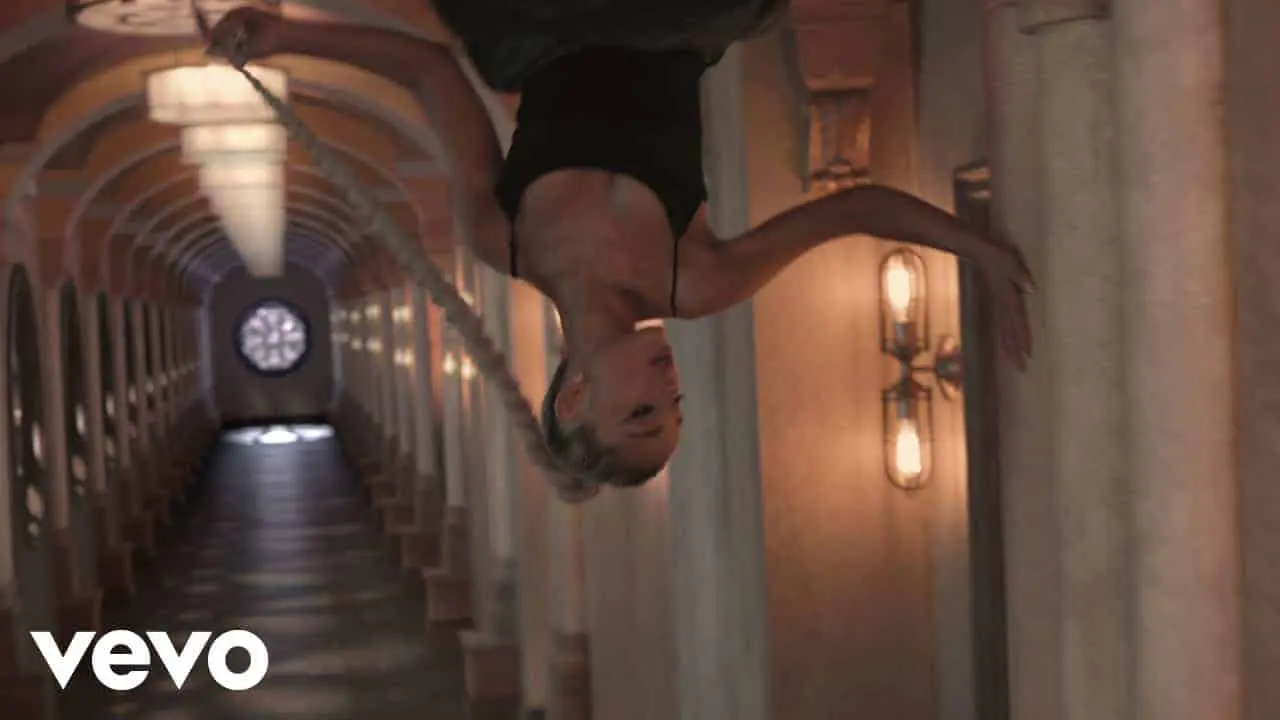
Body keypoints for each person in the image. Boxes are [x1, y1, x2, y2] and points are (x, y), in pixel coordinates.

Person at [206, 3, 1033, 489]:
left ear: (574, 397)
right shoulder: (698, 280)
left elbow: (430, 73)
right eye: (674, 408)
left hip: (539, 25)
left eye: (641, 411)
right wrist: (981, 251)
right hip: (672, 20)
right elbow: (852, 210)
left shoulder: (503, 241)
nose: (667, 388)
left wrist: (286, 35)